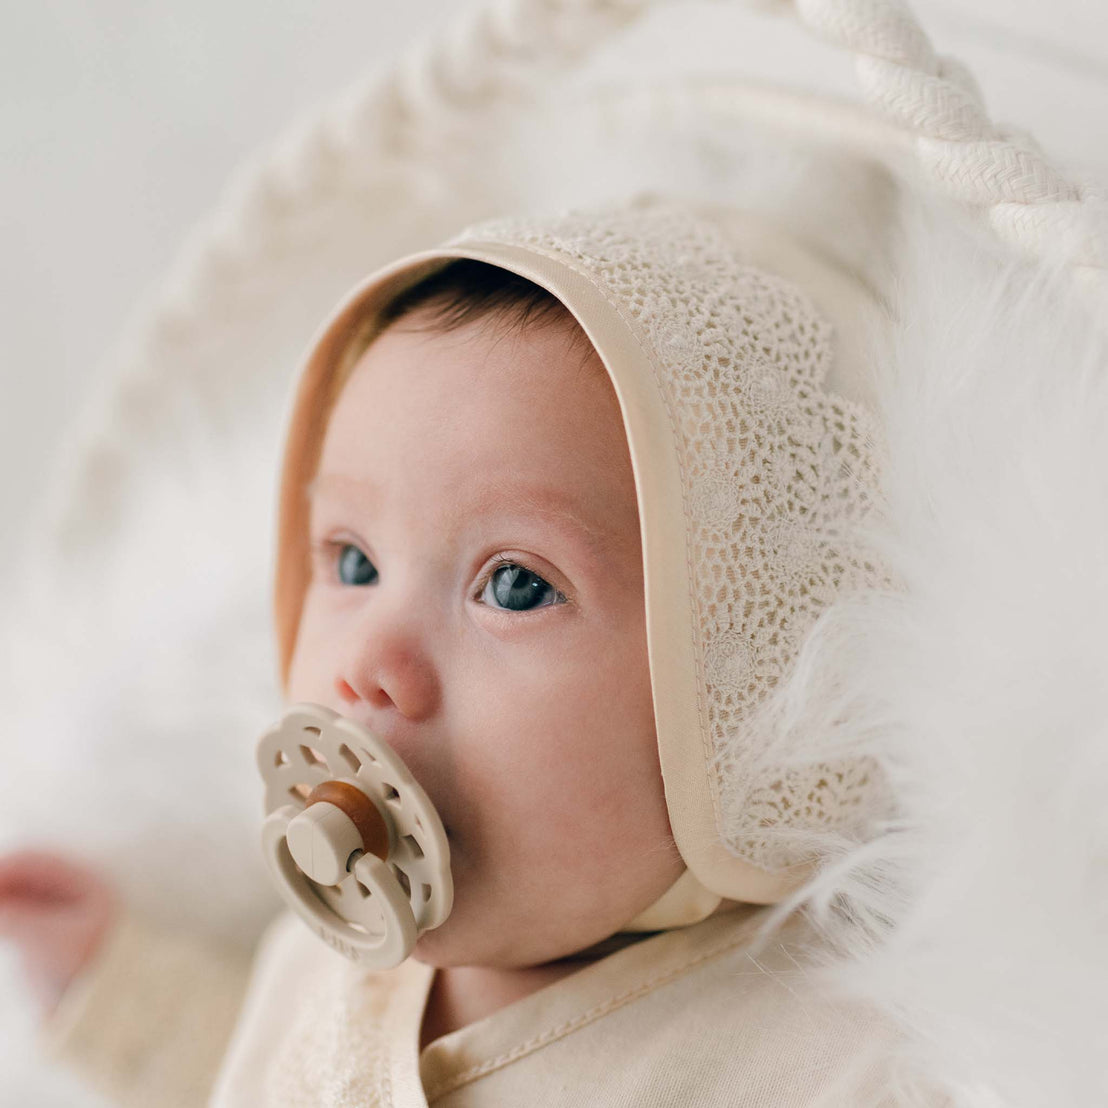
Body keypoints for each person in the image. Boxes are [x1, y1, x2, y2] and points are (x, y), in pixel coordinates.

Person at [0, 193, 918, 1106]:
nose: (370, 660)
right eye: (352, 562)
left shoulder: (834, 1056)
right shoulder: (320, 961)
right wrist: (106, 990)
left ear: (746, 693)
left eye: (515, 585)